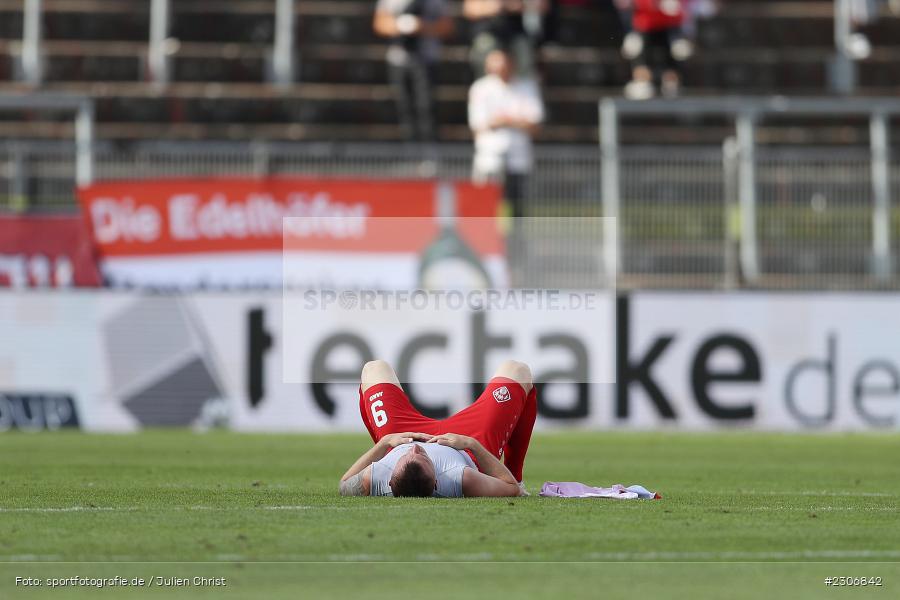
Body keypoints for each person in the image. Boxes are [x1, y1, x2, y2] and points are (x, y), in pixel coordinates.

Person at [339, 359, 537, 497]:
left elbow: (344, 484)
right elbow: (510, 489)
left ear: (390, 480)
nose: (417, 448)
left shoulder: (377, 477)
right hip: (465, 443)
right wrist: (471, 444)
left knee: (373, 368)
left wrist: (384, 443)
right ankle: (518, 475)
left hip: (401, 435)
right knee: (518, 370)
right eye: (423, 456)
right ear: (436, 481)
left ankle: (396, 449)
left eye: (408, 456)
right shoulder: (459, 478)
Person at [468, 49, 543, 221]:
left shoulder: (526, 87)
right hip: (489, 160)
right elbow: (480, 124)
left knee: (516, 209)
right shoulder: (480, 88)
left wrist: (505, 121)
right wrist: (515, 121)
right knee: (486, 206)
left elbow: (534, 124)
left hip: (518, 159)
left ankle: (515, 244)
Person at [373, 0, 454, 142]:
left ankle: (430, 154)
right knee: (404, 110)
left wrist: (423, 27)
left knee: (426, 108)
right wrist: (399, 26)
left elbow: (447, 26)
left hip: (427, 59)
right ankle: (409, 153)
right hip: (399, 59)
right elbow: (379, 23)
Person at [463, 0, 548, 78]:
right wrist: (491, 7)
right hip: (487, 33)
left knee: (524, 54)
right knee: (484, 51)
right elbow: (468, 8)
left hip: (517, 34)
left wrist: (516, 5)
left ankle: (522, 91)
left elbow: (542, 6)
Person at [621, 0, 688, 99]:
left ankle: (671, 85)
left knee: (670, 60)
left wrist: (673, 8)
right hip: (644, 26)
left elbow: (679, 12)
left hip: (667, 27)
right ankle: (642, 83)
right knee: (642, 59)